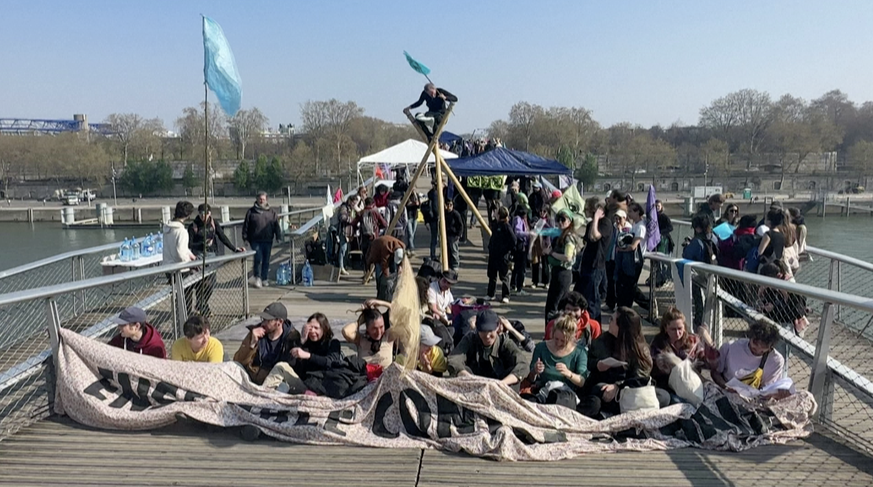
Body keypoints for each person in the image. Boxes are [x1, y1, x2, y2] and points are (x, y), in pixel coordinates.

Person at [580, 307, 666, 417]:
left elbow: (640, 377)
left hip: (628, 389)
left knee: (663, 396)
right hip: (605, 384)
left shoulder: (640, 349)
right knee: (599, 391)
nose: (609, 322)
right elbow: (590, 361)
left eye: (611, 320)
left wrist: (618, 386)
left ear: (621, 327)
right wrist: (597, 365)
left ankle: (614, 411)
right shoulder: (603, 340)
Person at [262, 313, 344, 394]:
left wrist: (308, 356)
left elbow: (331, 362)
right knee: (281, 366)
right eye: (310, 328)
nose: (313, 331)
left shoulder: (333, 343)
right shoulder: (305, 344)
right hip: (305, 385)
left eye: (316, 328)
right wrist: (302, 341)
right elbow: (291, 365)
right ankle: (262, 393)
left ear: (324, 329)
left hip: (323, 386)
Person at [187, 203, 245, 316]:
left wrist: (234, 249)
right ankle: (202, 306)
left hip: (212, 255)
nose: (204, 216)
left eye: (206, 213)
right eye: (201, 214)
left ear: (210, 213)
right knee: (201, 283)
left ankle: (201, 304)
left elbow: (222, 237)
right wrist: (202, 243)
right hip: (198, 256)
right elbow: (189, 244)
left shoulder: (214, 223)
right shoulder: (193, 226)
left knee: (211, 282)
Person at [447, 309, 527, 387]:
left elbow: (523, 364)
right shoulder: (470, 339)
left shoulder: (504, 342)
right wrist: (466, 375)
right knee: (461, 370)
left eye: (490, 331)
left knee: (514, 374)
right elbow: (454, 359)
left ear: (497, 327)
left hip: (501, 384)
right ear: (477, 329)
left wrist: (502, 383)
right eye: (483, 331)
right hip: (474, 384)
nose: (487, 336)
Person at [527, 315, 589, 409]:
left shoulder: (580, 352)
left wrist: (569, 373)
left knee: (560, 401)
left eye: (563, 341)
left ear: (572, 338)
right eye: (556, 339)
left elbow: (582, 381)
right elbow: (531, 378)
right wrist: (535, 370)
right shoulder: (541, 347)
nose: (559, 343)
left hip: (566, 395)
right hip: (543, 392)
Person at [711, 320, 787, 394]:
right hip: (727, 392)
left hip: (755, 398)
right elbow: (715, 372)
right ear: (750, 337)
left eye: (764, 346)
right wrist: (726, 388)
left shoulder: (776, 360)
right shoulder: (730, 347)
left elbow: (768, 389)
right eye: (755, 342)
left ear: (771, 346)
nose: (758, 348)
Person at [232, 302, 298, 385]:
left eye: (268, 320)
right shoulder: (255, 333)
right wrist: (252, 344)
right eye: (263, 319)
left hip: (279, 381)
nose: (263, 323)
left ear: (279, 322)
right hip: (254, 377)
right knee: (230, 368)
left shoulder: (292, 338)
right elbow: (238, 361)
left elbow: (292, 369)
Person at [576, 197, 612, 322]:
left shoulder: (605, 223)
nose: (585, 211)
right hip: (587, 264)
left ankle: (595, 329)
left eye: (588, 209)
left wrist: (596, 218)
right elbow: (587, 241)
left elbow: (594, 236)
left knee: (592, 300)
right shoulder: (591, 224)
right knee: (580, 297)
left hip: (596, 265)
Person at [650, 308, 701, 395]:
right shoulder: (658, 344)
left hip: (692, 383)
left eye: (680, 328)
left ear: (684, 327)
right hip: (668, 385)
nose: (677, 333)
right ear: (665, 328)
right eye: (673, 329)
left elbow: (704, 362)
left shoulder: (692, 340)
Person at [543, 209, 578, 323]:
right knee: (557, 306)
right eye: (558, 219)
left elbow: (567, 257)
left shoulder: (568, 237)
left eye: (563, 219)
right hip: (558, 272)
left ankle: (552, 332)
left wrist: (551, 253)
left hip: (563, 273)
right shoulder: (560, 235)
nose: (560, 222)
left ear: (570, 222)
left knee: (553, 307)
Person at [242, 192, 282, 289]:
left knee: (266, 260)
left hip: (268, 240)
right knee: (258, 258)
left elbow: (276, 226)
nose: (261, 201)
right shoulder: (251, 212)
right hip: (255, 240)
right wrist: (245, 238)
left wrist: (278, 237)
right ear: (257, 199)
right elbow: (246, 226)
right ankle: (257, 277)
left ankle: (264, 278)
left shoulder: (272, 212)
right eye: (260, 199)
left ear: (266, 200)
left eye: (263, 199)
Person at [342, 306, 396, 373]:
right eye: (374, 328)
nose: (379, 332)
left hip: (385, 380)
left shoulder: (388, 337)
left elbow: (400, 312)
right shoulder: (361, 340)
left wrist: (381, 303)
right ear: (367, 328)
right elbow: (346, 331)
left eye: (381, 327)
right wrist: (360, 321)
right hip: (366, 380)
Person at [614, 205, 646, 310]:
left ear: (638, 212)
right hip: (627, 260)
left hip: (635, 260)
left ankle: (642, 305)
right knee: (624, 284)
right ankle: (623, 305)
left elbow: (633, 246)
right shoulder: (634, 225)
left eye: (631, 211)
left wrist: (621, 249)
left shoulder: (641, 227)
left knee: (630, 286)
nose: (629, 214)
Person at [486, 207, 516, 303]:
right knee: (492, 275)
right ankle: (490, 294)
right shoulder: (496, 224)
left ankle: (506, 295)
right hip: (493, 254)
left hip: (503, 255)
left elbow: (513, 240)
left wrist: (507, 250)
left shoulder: (507, 226)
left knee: (504, 276)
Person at [365, 235, 406, 301]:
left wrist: (401, 266)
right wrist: (386, 276)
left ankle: (390, 293)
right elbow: (384, 263)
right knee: (379, 275)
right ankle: (380, 293)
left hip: (390, 250)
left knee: (393, 273)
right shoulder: (385, 248)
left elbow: (402, 258)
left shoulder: (402, 246)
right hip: (378, 252)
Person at [757, 209, 794, 278]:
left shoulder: (768, 234)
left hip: (767, 266)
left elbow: (760, 251)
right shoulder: (781, 235)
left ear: (769, 221)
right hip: (777, 267)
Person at [354, 197, 387, 265]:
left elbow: (354, 222)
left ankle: (366, 272)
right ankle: (374, 272)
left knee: (366, 254)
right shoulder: (375, 211)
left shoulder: (362, 212)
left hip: (364, 236)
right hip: (374, 235)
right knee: (375, 254)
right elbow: (384, 224)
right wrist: (378, 227)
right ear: (373, 203)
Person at [163, 200, 197, 265]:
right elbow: (181, 252)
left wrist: (191, 255)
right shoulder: (182, 231)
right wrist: (190, 261)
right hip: (179, 267)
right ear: (188, 215)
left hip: (167, 266)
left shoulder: (167, 228)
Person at [530, 204, 554, 289]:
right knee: (535, 263)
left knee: (545, 264)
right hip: (536, 243)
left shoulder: (550, 221)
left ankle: (546, 282)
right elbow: (532, 226)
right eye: (541, 211)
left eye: (544, 211)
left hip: (546, 244)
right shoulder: (536, 218)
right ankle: (535, 281)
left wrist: (544, 225)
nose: (542, 213)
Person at [336, 194, 359, 276]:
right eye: (353, 203)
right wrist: (352, 220)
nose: (354, 205)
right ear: (349, 201)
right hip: (344, 231)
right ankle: (341, 267)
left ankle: (345, 265)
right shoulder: (344, 207)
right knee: (343, 249)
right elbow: (342, 217)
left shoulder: (352, 209)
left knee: (346, 250)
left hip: (350, 231)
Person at [510, 206, 531, 295]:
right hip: (521, 246)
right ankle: (519, 288)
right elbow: (517, 232)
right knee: (521, 268)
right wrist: (528, 233)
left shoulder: (516, 218)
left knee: (516, 267)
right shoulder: (518, 219)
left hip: (518, 246)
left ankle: (513, 284)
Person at [444, 199, 464, 270]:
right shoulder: (444, 213)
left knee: (454, 251)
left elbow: (460, 225)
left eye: (451, 205)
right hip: (446, 235)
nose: (449, 206)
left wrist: (459, 235)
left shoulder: (455, 214)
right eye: (448, 205)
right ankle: (448, 265)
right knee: (447, 251)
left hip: (453, 235)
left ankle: (455, 266)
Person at [405, 189, 421, 255]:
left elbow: (419, 205)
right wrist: (412, 204)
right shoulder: (406, 195)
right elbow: (406, 205)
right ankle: (412, 248)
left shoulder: (416, 195)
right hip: (408, 216)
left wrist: (415, 196)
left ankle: (408, 247)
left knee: (413, 234)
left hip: (415, 216)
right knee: (410, 233)